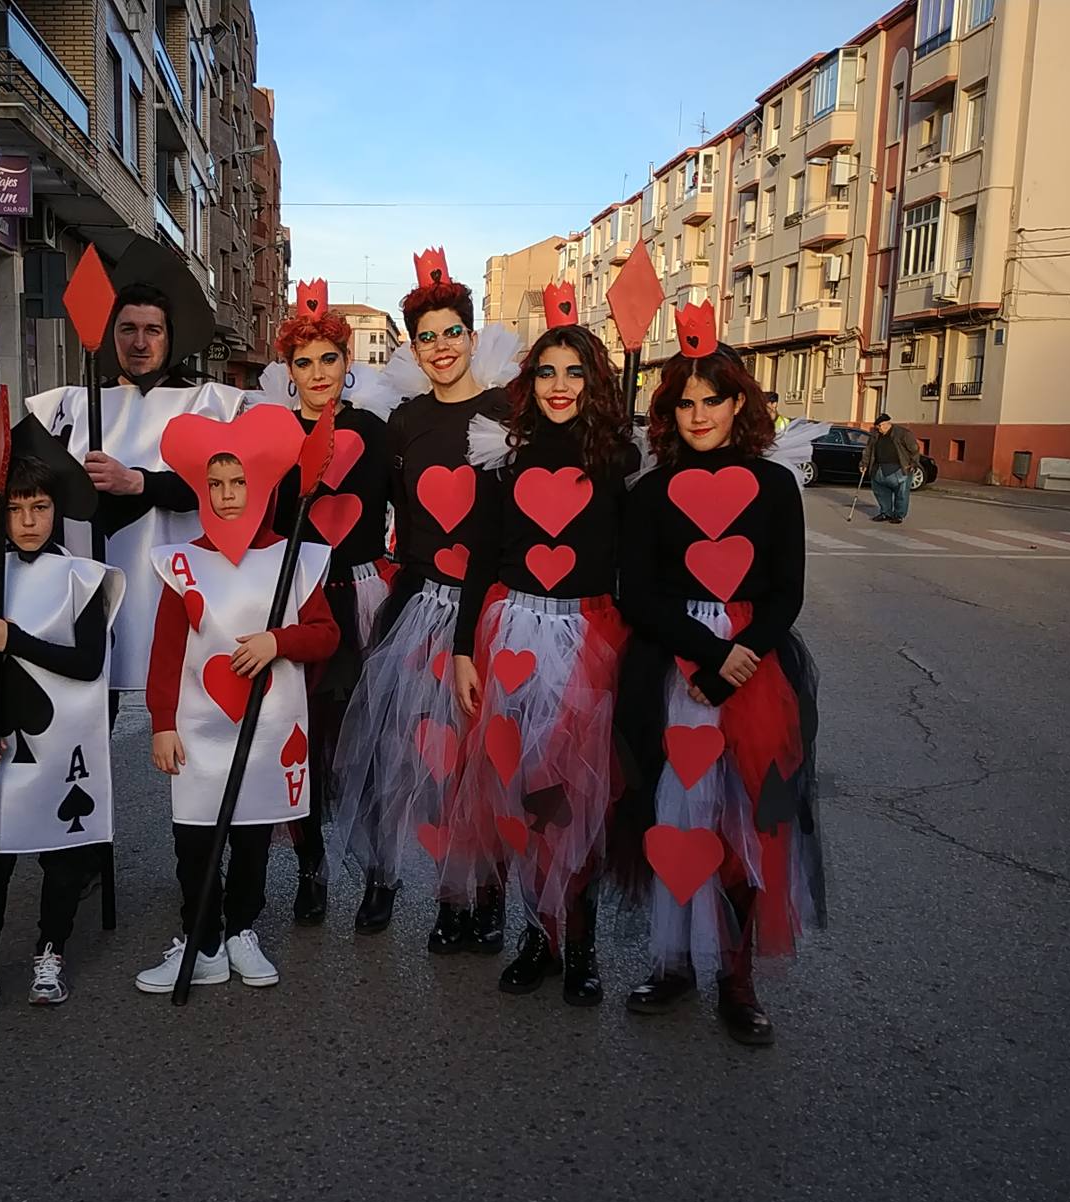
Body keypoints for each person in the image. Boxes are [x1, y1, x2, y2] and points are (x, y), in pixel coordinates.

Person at [615, 300, 827, 1047]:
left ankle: (737, 978)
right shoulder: (650, 492)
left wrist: (739, 663)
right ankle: (673, 962)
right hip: (672, 666)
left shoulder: (774, 489)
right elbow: (636, 593)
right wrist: (705, 656)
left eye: (714, 399)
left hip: (755, 670)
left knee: (746, 824)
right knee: (676, 818)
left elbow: (786, 592)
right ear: (668, 411)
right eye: (684, 402)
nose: (698, 414)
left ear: (741, 404)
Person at [444, 296, 634, 1004]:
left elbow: (632, 566)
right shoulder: (507, 459)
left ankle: (578, 944)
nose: (560, 385)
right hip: (512, 634)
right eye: (548, 371)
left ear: (596, 382)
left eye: (575, 372)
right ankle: (536, 934)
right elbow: (481, 560)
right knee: (522, 794)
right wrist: (465, 649)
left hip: (588, 638)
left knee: (575, 799)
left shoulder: (619, 462)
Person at [330, 247, 520, 947]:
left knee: (484, 760)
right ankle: (444, 897)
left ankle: (489, 897)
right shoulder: (406, 422)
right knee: (424, 758)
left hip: (489, 612)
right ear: (415, 348)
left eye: (452, 332)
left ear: (472, 335)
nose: (441, 347)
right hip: (418, 604)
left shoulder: (507, 411)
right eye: (427, 337)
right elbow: (384, 510)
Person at [134, 406, 339, 993]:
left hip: (268, 725)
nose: (226, 496)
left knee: (251, 835)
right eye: (214, 485)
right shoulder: (182, 564)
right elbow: (167, 650)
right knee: (194, 837)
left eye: (239, 483)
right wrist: (162, 722)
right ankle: (200, 940)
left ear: (262, 486)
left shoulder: (296, 557)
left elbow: (326, 633)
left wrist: (279, 639)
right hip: (199, 727)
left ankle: (242, 929)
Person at [0, 424, 122, 1015]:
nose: (28, 522)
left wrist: (17, 640)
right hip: (2, 744)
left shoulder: (84, 580)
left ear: (56, 510)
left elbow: (88, 663)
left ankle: (51, 947)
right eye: (15, 510)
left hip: (67, 743)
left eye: (40, 508)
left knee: (62, 858)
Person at [25, 241, 246, 692]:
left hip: (184, 584)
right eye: (127, 329)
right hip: (91, 587)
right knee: (90, 708)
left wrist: (138, 483)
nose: (140, 343)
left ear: (170, 336)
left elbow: (228, 489)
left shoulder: (211, 405)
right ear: (111, 335)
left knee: (185, 719)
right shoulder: (71, 407)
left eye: (152, 330)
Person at [251, 278, 397, 926]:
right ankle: (310, 871)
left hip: (363, 604)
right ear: (288, 370)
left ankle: (378, 876)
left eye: (328, 359)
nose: (316, 373)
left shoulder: (376, 430)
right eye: (303, 362)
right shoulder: (273, 436)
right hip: (299, 607)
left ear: (347, 362)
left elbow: (417, 510)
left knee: (365, 752)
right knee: (300, 748)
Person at [861, 412, 920, 524]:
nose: (878, 429)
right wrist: (864, 464)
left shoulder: (903, 434)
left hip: (900, 468)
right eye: (876, 427)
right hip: (879, 468)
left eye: (879, 427)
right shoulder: (875, 435)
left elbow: (914, 449)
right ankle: (885, 512)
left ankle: (899, 515)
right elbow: (868, 450)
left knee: (901, 494)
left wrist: (913, 464)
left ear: (885, 424)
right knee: (881, 492)